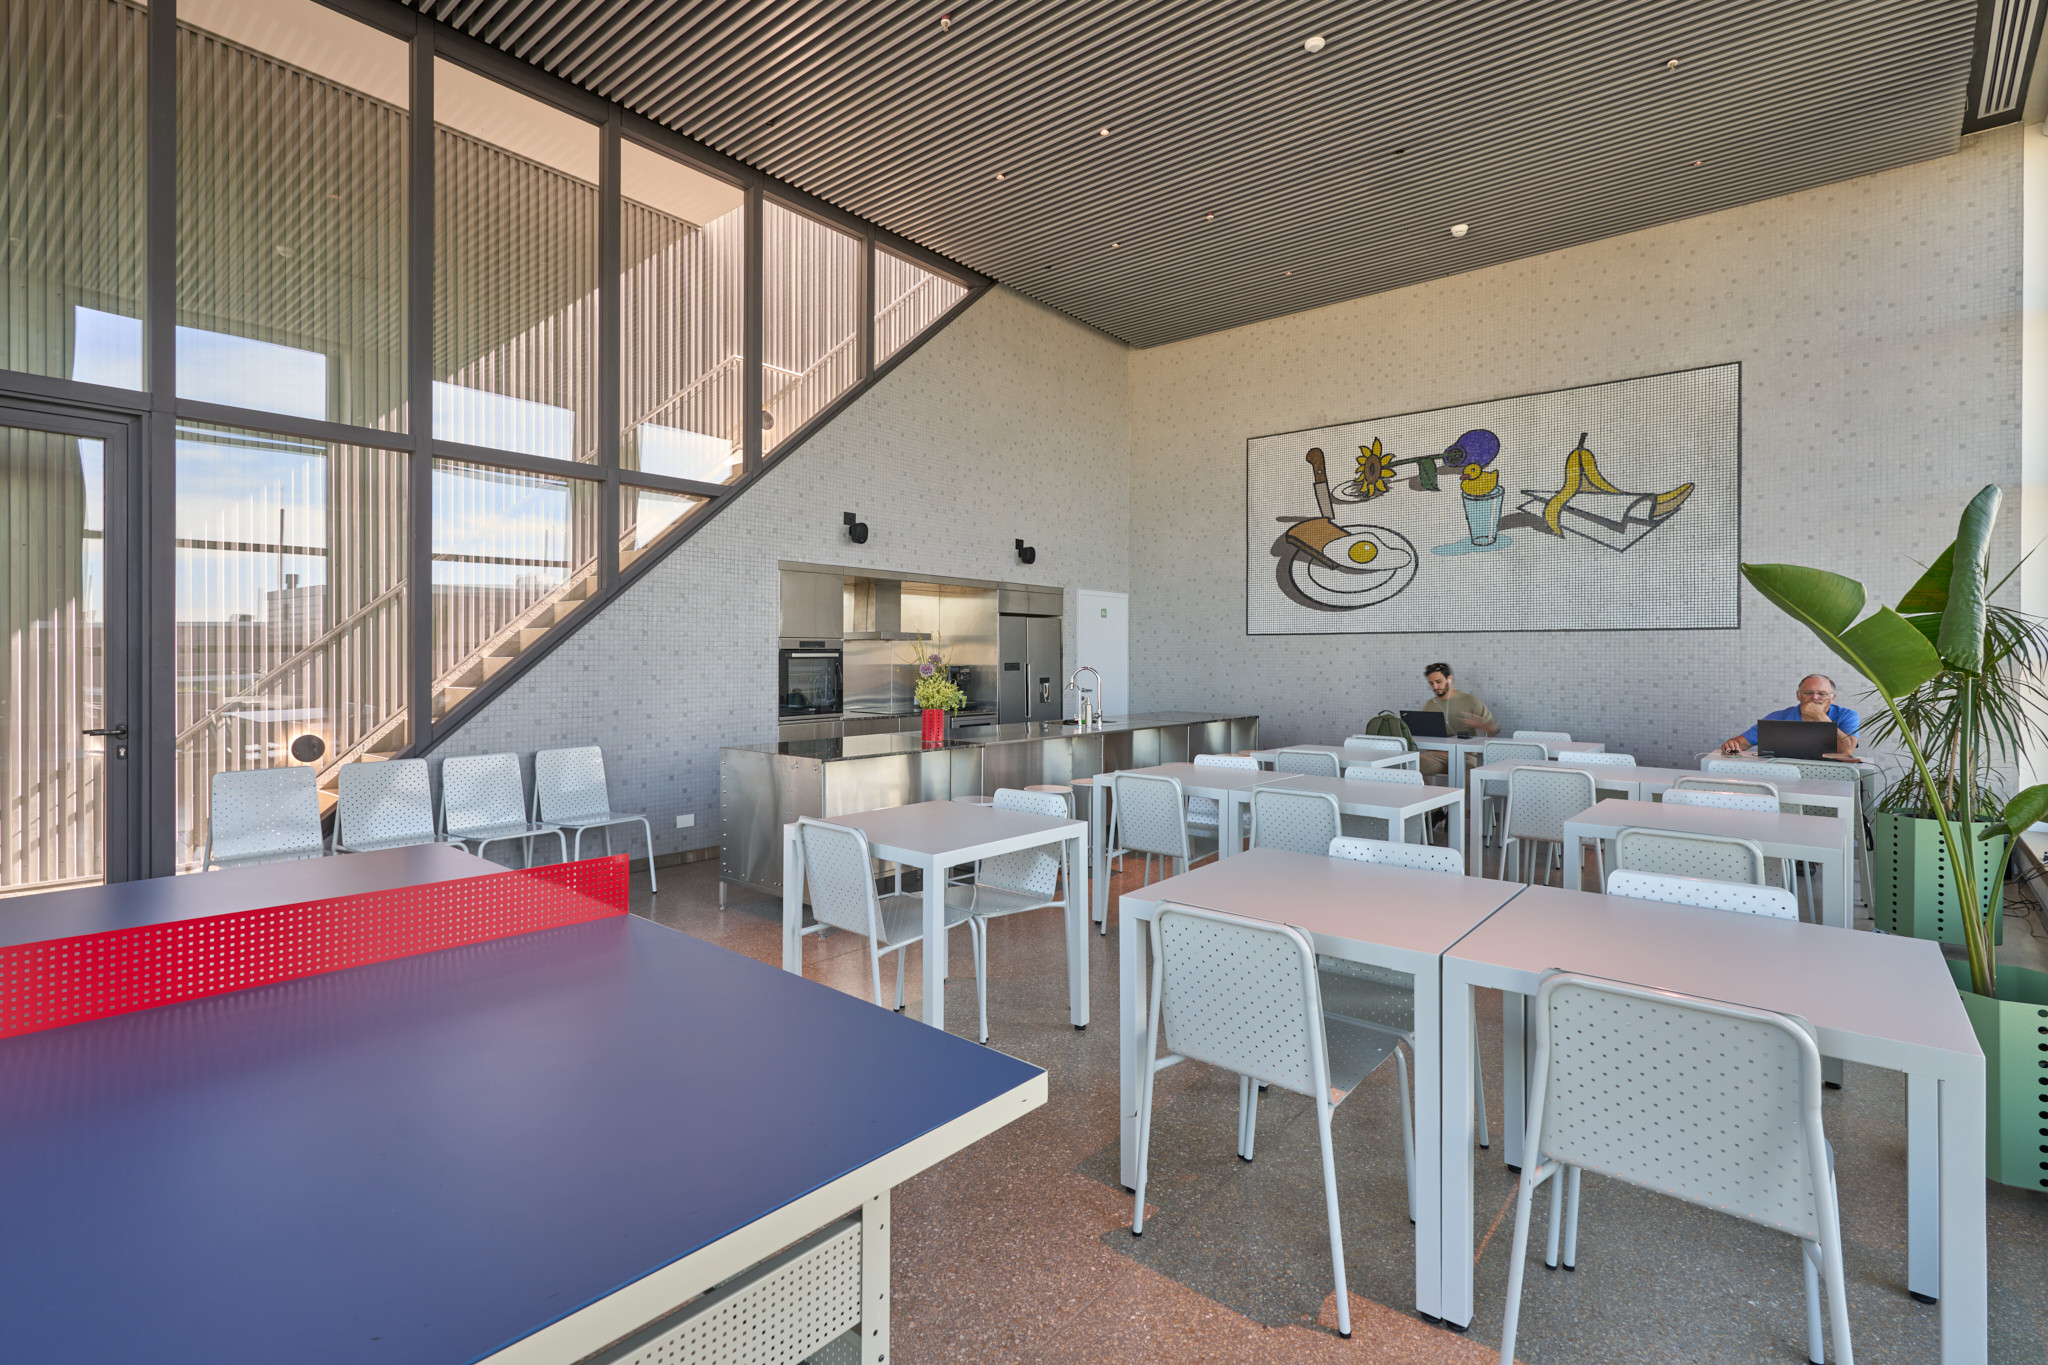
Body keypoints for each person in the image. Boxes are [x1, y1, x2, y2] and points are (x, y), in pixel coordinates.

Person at [1719, 674, 1859, 758]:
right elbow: (1741, 743)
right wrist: (1732, 745)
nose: (1814, 698)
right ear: (1798, 695)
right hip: (1783, 775)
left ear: (1832, 698)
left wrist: (1821, 718)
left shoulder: (1847, 716)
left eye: (1822, 694)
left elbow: (1847, 750)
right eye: (1808, 693)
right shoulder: (1777, 717)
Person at [1417, 662, 1498, 779]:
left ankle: (1460, 793)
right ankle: (1429, 792)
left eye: (1438, 682)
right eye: (1431, 683)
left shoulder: (1470, 701)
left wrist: (1481, 724)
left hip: (1466, 755)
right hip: (1435, 755)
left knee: (1469, 771)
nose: (1435, 687)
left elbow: (1494, 728)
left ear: (1449, 679)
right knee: (1413, 765)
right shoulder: (1430, 704)